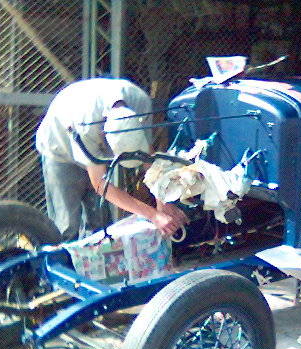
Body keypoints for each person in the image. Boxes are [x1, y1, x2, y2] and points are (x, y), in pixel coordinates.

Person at [36, 78, 187, 241]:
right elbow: (100, 185)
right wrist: (153, 215)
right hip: (60, 148)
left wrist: (163, 201)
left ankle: (94, 264)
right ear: (105, 138)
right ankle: (59, 264)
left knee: (101, 227)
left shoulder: (139, 102)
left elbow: (149, 161)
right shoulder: (86, 127)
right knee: (66, 226)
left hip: (89, 131)